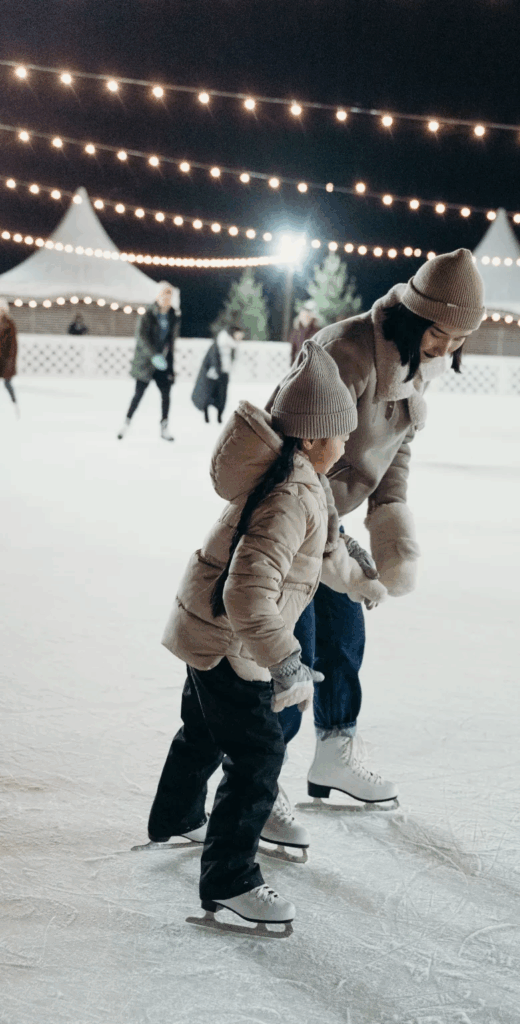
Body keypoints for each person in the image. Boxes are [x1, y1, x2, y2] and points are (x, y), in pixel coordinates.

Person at [144, 341, 378, 935]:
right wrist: (287, 660)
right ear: (313, 438)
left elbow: (325, 552)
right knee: (258, 755)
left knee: (203, 728)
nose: (348, 441)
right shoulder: (290, 497)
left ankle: (176, 816)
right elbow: (246, 596)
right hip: (231, 641)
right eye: (341, 432)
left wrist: (362, 581)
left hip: (209, 629)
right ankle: (230, 882)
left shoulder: (304, 481)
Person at [264, 249, 486, 842]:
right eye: (440, 334)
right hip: (288, 525)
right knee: (289, 659)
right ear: (416, 316)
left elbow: (397, 449)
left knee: (343, 642)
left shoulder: (412, 365)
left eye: (459, 339)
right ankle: (258, 784)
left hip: (329, 527)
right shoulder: (347, 353)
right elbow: (294, 445)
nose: (447, 349)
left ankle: (333, 756)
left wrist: (390, 520)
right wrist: (325, 538)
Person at [117, 282, 179, 441]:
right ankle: (126, 423)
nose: (166, 298)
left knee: (166, 395)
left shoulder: (173, 316)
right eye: (164, 294)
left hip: (163, 363)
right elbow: (141, 337)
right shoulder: (148, 314)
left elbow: (171, 342)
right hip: (146, 362)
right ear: (158, 296)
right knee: (138, 394)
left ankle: (164, 427)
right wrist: (153, 356)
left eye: (169, 295)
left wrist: (170, 367)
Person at [191, 325, 239, 424]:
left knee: (221, 397)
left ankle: (219, 417)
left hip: (224, 373)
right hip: (212, 375)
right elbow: (213, 358)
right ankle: (206, 416)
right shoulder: (219, 343)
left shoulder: (233, 346)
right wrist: (217, 369)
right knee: (207, 395)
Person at [0, 299, 19, 416]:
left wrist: (10, 362)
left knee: (7, 383)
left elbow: (13, 346)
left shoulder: (9, 324)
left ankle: (14, 403)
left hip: (6, 360)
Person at [288, 300, 320, 365]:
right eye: (303, 316)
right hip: (299, 363)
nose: (305, 318)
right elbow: (293, 350)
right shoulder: (296, 331)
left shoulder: (316, 331)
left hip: (313, 363)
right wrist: (292, 365)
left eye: (307, 316)